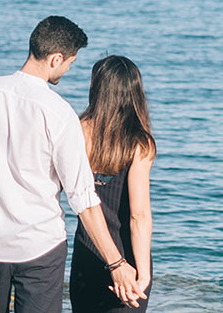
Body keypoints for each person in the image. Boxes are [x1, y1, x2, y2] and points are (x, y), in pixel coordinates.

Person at [0, 16, 146, 313]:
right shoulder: (58, 112)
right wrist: (117, 263)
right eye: (70, 62)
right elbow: (82, 199)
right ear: (55, 58)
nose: (68, 69)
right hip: (40, 250)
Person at [70, 55, 156, 313]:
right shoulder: (140, 144)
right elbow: (138, 216)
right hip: (127, 257)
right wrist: (143, 274)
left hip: (87, 252)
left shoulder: (77, 131)